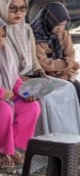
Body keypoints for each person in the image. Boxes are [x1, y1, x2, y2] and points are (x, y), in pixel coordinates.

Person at [0, 0, 80, 137]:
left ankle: (68, 139)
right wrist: (30, 81)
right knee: (47, 99)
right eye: (12, 8)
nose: (18, 13)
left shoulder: (25, 29)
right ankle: (45, 143)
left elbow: (34, 60)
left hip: (32, 76)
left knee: (67, 88)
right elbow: (9, 70)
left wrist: (40, 73)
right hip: (14, 80)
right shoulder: (2, 31)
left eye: (22, 8)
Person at [30, 2, 80, 137]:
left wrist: (65, 72)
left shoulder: (64, 35)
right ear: (48, 21)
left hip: (65, 76)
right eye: (57, 24)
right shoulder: (36, 36)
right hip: (44, 77)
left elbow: (70, 55)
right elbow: (42, 63)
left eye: (63, 24)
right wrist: (66, 64)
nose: (60, 28)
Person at [0, 18, 41, 169]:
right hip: (2, 99)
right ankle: (2, 151)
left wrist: (25, 92)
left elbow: (14, 79)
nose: (1, 40)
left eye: (3, 36)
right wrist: (2, 93)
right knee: (3, 110)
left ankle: (14, 148)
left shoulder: (5, 53)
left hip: (7, 98)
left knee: (32, 106)